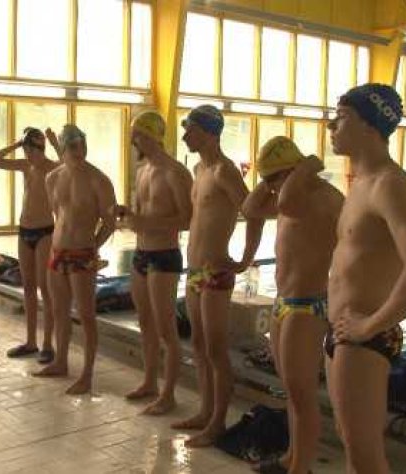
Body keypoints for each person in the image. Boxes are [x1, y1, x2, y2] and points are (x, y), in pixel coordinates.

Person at [326, 84, 406, 473]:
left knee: (365, 458)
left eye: (341, 117)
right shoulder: (361, 182)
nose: (331, 125)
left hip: (364, 336)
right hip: (344, 333)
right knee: (352, 447)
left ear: (370, 125)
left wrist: (369, 325)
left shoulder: (391, 185)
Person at [242, 136, 344, 473]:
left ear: (296, 170)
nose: (271, 186)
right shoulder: (288, 195)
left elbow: (286, 202)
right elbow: (249, 209)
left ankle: (301, 467)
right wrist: (272, 178)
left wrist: (306, 168)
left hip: (309, 306)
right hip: (284, 303)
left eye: (275, 177)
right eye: (267, 179)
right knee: (291, 391)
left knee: (302, 394)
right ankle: (291, 458)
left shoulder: (324, 198)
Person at [172, 105, 264, 447]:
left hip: (216, 271)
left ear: (210, 132)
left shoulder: (225, 171)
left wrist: (245, 259)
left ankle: (217, 423)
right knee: (198, 344)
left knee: (215, 349)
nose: (185, 135)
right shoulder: (199, 169)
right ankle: (205, 411)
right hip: (195, 271)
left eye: (191, 129)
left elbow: (254, 213)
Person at [118, 111, 192, 415]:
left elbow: (187, 219)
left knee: (165, 328)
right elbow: (142, 214)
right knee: (145, 321)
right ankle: (149, 382)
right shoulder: (142, 170)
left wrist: (146, 223)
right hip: (141, 254)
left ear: (151, 136)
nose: (133, 140)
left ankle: (169, 394)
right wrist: (127, 215)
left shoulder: (175, 172)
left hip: (164, 255)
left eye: (137, 135)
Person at [32, 124, 116, 395]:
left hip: (82, 254)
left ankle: (87, 375)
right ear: (63, 149)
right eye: (72, 147)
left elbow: (110, 222)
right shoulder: (52, 178)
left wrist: (92, 247)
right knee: (59, 312)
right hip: (57, 253)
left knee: (86, 316)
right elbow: (59, 216)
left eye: (81, 146)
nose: (79, 151)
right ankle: (61, 362)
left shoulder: (99, 180)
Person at [0, 127, 60, 363]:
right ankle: (30, 342)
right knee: (28, 287)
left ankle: (47, 344)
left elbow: (70, 166)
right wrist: (16, 144)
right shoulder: (25, 165)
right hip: (24, 231)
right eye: (25, 151)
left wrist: (56, 143)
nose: (27, 155)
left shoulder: (52, 167)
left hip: (45, 232)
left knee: (44, 288)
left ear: (40, 149)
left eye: (30, 151)